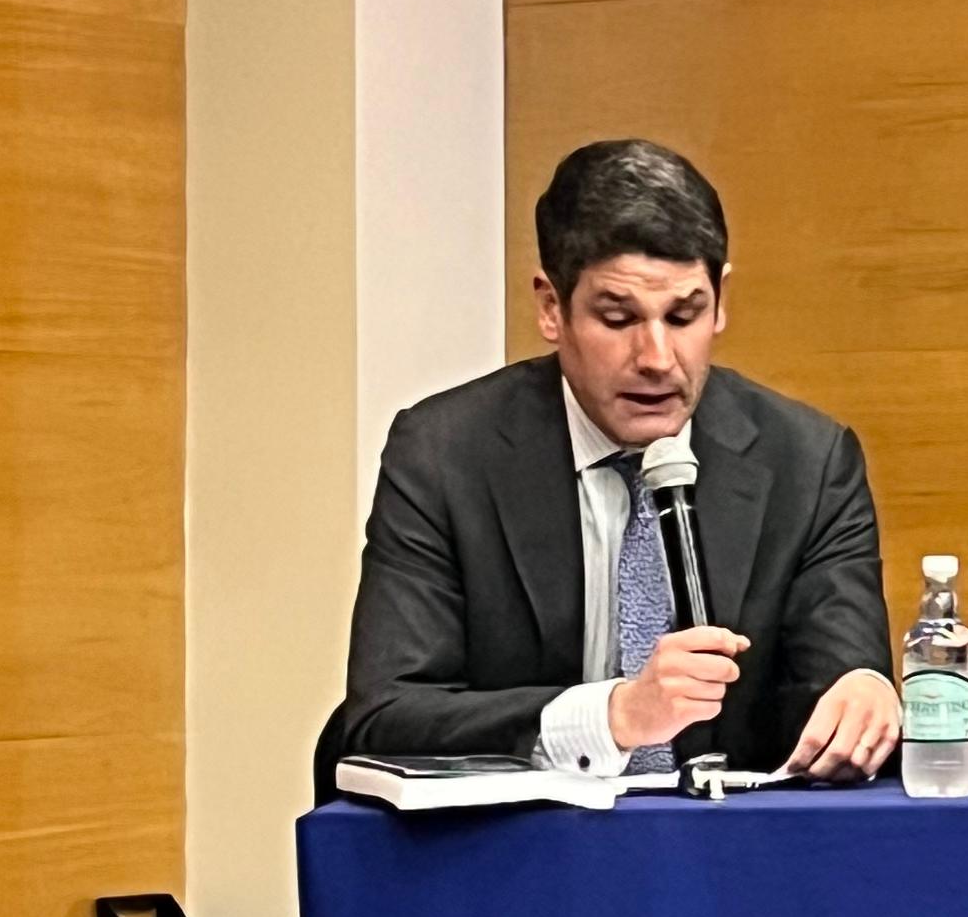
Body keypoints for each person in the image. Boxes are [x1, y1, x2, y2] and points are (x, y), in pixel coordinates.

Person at [340, 139, 901, 782]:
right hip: (526, 837)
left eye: (684, 316)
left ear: (720, 300)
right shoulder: (445, 456)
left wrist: (862, 695)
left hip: (729, 838)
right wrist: (612, 717)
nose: (657, 358)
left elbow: (833, 683)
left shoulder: (808, 464)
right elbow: (387, 715)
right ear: (552, 308)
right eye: (617, 318)